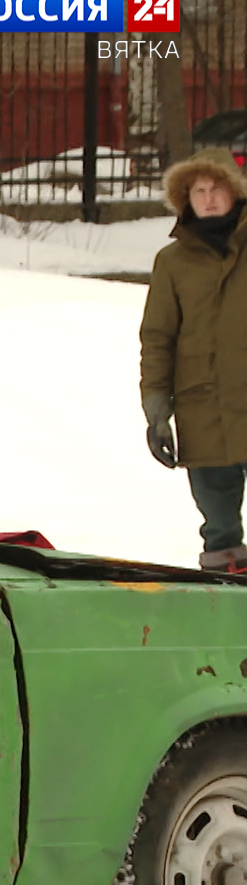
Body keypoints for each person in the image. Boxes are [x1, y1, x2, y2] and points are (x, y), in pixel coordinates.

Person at [140, 148, 247, 574]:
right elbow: (158, 336)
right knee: (219, 526)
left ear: (234, 191)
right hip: (205, 407)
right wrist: (156, 407)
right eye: (198, 190)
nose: (207, 197)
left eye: (215, 187)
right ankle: (227, 601)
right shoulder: (173, 262)